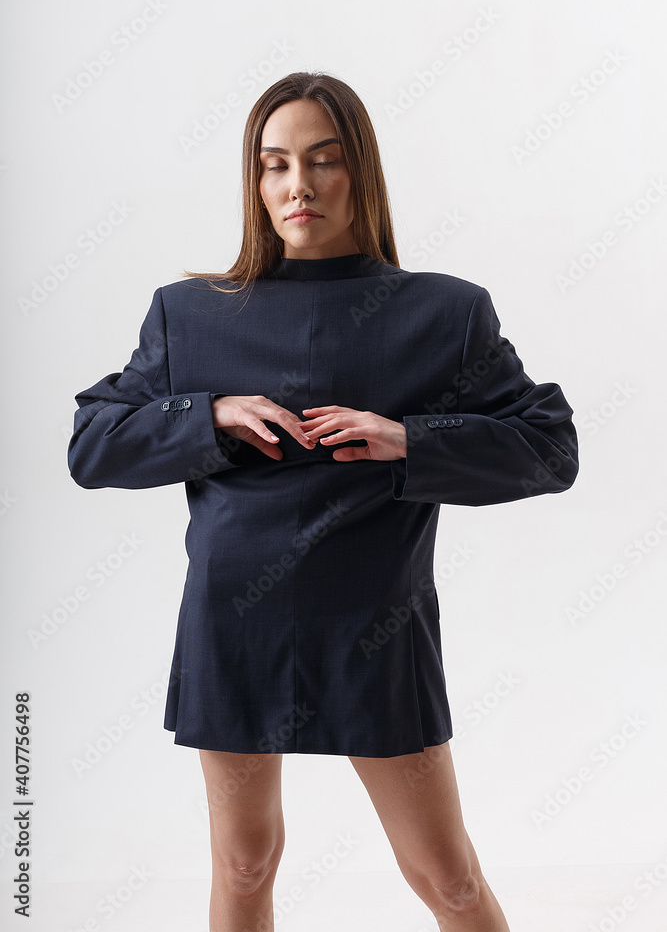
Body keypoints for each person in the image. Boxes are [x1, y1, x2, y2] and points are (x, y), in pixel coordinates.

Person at [67, 70, 579, 932]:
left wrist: (410, 436)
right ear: (254, 181)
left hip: (375, 626)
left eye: (322, 160)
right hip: (234, 625)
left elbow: (550, 449)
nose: (297, 184)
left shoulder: (445, 313)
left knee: (449, 880)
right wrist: (207, 414)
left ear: (359, 172)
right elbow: (92, 444)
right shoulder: (189, 315)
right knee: (243, 865)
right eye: (274, 164)